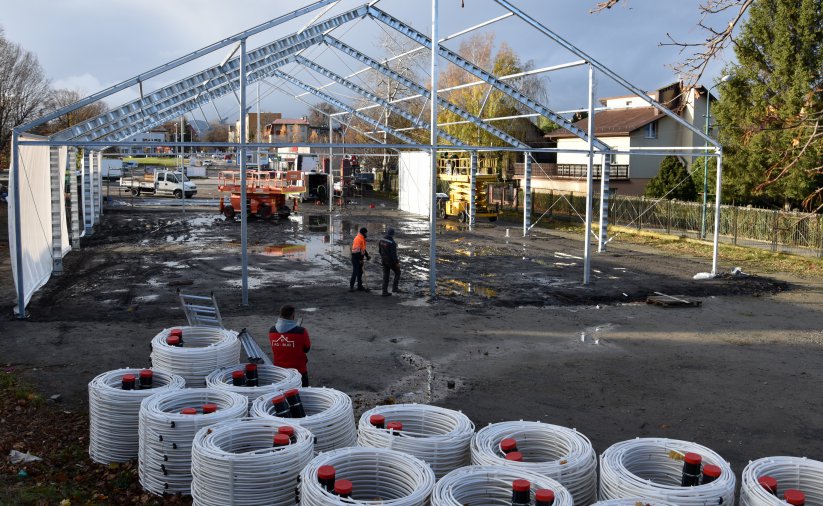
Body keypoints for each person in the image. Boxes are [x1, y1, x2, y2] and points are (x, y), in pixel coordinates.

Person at [269, 305, 311, 387]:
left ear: (280, 315)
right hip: (299, 371)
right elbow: (306, 349)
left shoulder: (272, 330)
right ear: (293, 315)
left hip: (280, 372)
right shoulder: (301, 331)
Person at [379, 227, 401, 296]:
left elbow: (380, 250)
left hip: (384, 260)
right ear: (392, 234)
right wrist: (396, 263)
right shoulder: (392, 243)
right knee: (398, 272)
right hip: (390, 261)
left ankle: (384, 291)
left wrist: (383, 257)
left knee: (386, 275)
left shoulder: (381, 240)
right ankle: (395, 288)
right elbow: (393, 254)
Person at [350, 227, 370, 292]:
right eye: (365, 233)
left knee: (360, 273)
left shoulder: (362, 238)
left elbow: (363, 249)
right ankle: (351, 287)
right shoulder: (358, 239)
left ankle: (359, 286)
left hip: (359, 258)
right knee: (355, 272)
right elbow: (355, 252)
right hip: (355, 258)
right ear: (363, 233)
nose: (366, 234)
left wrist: (367, 255)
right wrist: (360, 259)